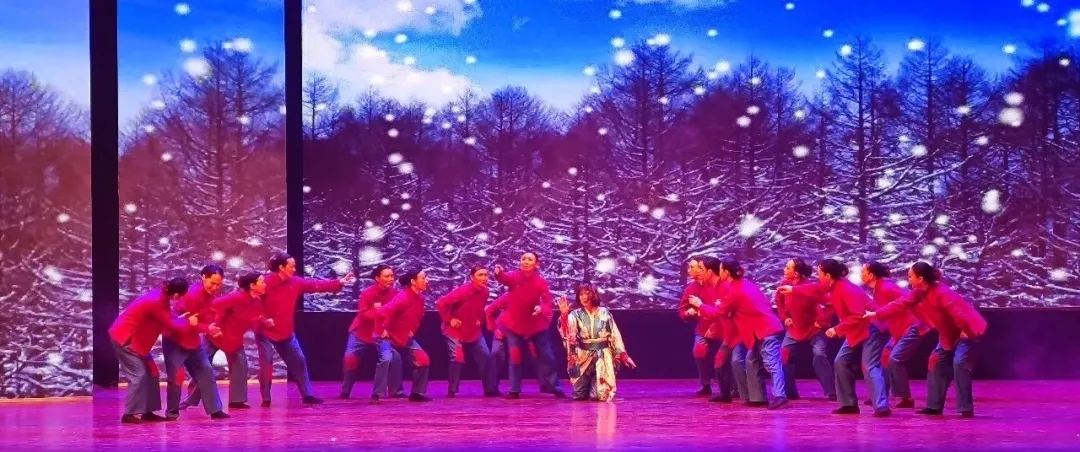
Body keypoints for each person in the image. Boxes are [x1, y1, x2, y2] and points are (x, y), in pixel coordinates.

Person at [866, 262, 987, 418]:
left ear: (920, 278)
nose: (908, 279)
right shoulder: (919, 292)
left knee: (960, 364)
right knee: (935, 362)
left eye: (911, 276)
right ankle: (934, 406)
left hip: (968, 330)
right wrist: (877, 314)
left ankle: (965, 408)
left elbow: (960, 315)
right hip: (949, 333)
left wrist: (968, 332)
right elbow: (901, 303)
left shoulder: (942, 293)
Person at [780, 259, 891, 417]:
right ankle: (848, 404)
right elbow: (814, 288)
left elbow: (858, 316)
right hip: (856, 329)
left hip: (871, 327)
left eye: (819, 272)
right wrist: (793, 289)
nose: (817, 275)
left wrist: (837, 329)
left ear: (827, 275)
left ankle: (881, 406)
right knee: (841, 362)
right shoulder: (833, 285)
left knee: (869, 365)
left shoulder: (846, 290)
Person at [257, 252, 353, 406]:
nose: (294, 269)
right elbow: (252, 303)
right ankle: (266, 398)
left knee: (299, 360)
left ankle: (307, 395)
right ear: (281, 267)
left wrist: (338, 282)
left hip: (285, 330)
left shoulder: (295, 282)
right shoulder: (265, 283)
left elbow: (314, 285)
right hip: (265, 330)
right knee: (267, 363)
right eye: (291, 266)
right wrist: (262, 319)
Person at [694, 258, 788, 410]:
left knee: (772, 363)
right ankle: (758, 398)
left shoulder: (735, 290)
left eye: (721, 269)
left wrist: (700, 305)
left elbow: (719, 312)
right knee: (751, 361)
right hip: (758, 331)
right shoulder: (745, 284)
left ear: (726, 272)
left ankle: (780, 395)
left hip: (766, 330)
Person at [109, 277, 199, 424]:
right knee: (138, 375)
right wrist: (188, 322)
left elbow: (166, 316)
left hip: (138, 343)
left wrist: (180, 318)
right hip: (126, 339)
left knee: (152, 372)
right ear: (177, 294)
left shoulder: (161, 296)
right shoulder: (155, 301)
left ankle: (147, 412)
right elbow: (171, 325)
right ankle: (129, 414)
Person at [185, 272, 272, 410]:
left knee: (241, 366)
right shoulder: (237, 297)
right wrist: (215, 324)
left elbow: (257, 316)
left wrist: (266, 321)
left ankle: (237, 400)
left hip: (234, 339)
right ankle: (190, 400)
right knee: (203, 367)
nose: (265, 284)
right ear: (252, 285)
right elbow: (216, 305)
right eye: (262, 282)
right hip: (216, 336)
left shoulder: (257, 302)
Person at [492, 252, 565, 399]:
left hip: (535, 325)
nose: (525, 261)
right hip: (514, 325)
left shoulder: (541, 282)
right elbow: (505, 278)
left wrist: (541, 308)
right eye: (523, 259)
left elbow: (547, 302)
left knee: (547, 356)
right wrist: (499, 274)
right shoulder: (514, 277)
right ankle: (514, 389)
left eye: (530, 259)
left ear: (536, 264)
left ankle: (554, 386)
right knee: (515, 356)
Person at [162, 265, 228, 420]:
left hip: (192, 341)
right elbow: (186, 321)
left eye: (218, 284)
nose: (215, 287)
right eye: (212, 283)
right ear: (203, 277)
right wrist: (206, 328)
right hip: (175, 340)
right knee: (176, 377)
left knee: (206, 370)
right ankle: (172, 412)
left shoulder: (211, 298)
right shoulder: (190, 295)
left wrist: (211, 328)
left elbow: (204, 320)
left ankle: (215, 409)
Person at [861, 261, 929, 409]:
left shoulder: (886, 287)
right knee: (885, 355)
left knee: (895, 359)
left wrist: (918, 322)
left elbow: (908, 300)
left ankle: (905, 398)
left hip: (910, 327)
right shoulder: (878, 288)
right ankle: (880, 394)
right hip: (899, 329)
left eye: (863, 272)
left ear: (871, 275)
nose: (861, 275)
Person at [556, 284, 636, 401]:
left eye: (587, 294)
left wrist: (623, 356)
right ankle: (588, 383)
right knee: (579, 395)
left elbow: (614, 334)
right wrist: (564, 315)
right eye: (581, 294)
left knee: (598, 396)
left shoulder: (604, 313)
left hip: (602, 357)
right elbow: (567, 331)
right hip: (583, 357)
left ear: (594, 295)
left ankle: (598, 386)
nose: (584, 297)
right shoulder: (575, 315)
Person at [678, 256, 739, 401]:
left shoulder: (724, 286)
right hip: (704, 329)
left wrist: (703, 309)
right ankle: (706, 384)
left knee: (729, 358)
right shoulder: (691, 288)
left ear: (709, 271)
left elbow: (722, 311)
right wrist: (688, 313)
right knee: (699, 351)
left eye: (698, 268)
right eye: (695, 268)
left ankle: (733, 388)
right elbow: (682, 311)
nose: (693, 271)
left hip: (723, 328)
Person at [774, 258, 836, 400]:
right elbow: (779, 301)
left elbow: (831, 304)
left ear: (796, 273)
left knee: (819, 354)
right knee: (784, 355)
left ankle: (831, 391)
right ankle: (790, 391)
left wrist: (821, 321)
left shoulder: (809, 288)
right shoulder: (784, 285)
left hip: (814, 329)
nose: (784, 270)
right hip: (795, 329)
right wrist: (785, 317)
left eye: (788, 268)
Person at [340, 265, 404, 401]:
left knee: (392, 358)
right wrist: (377, 310)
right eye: (387, 276)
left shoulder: (395, 294)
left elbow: (396, 315)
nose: (390, 279)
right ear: (377, 278)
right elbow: (364, 315)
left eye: (392, 276)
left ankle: (389, 392)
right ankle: (346, 390)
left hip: (381, 332)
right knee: (350, 358)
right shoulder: (367, 293)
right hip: (361, 332)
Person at [435, 266, 496, 397]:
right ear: (472, 277)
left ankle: (490, 389)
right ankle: (452, 390)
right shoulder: (463, 291)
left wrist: (480, 320)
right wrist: (450, 319)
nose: (484, 278)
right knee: (457, 358)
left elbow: (479, 308)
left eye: (486, 275)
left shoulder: (485, 291)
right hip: (455, 330)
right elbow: (440, 303)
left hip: (473, 331)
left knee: (485, 355)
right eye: (480, 275)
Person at [373, 269, 433, 402]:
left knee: (423, 360)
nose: (427, 280)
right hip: (387, 336)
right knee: (386, 359)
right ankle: (377, 394)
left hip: (403, 336)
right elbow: (380, 313)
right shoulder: (403, 297)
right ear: (413, 281)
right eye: (423, 278)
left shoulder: (420, 298)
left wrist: (411, 330)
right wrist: (381, 331)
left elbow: (417, 318)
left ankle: (417, 392)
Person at [484, 294, 553, 395]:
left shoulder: (538, 303)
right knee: (496, 353)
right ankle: (492, 387)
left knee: (537, 352)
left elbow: (545, 320)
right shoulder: (509, 296)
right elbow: (490, 310)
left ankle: (546, 384)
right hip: (504, 330)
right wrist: (494, 329)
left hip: (525, 332)